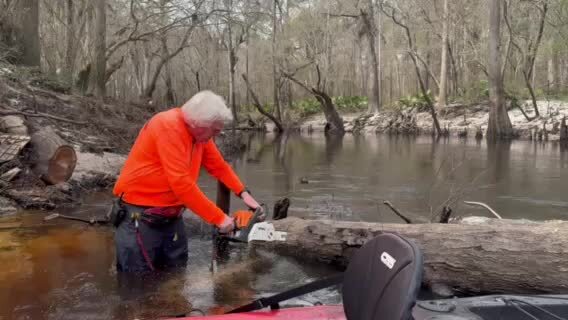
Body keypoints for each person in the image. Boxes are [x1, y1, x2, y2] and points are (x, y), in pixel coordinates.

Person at [111, 90, 263, 272]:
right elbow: (181, 184)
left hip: (171, 216)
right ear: (197, 123)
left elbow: (219, 166)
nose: (217, 134)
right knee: (138, 283)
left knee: (176, 275)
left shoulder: (200, 136)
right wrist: (220, 219)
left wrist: (243, 193)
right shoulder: (167, 126)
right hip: (139, 215)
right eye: (215, 129)